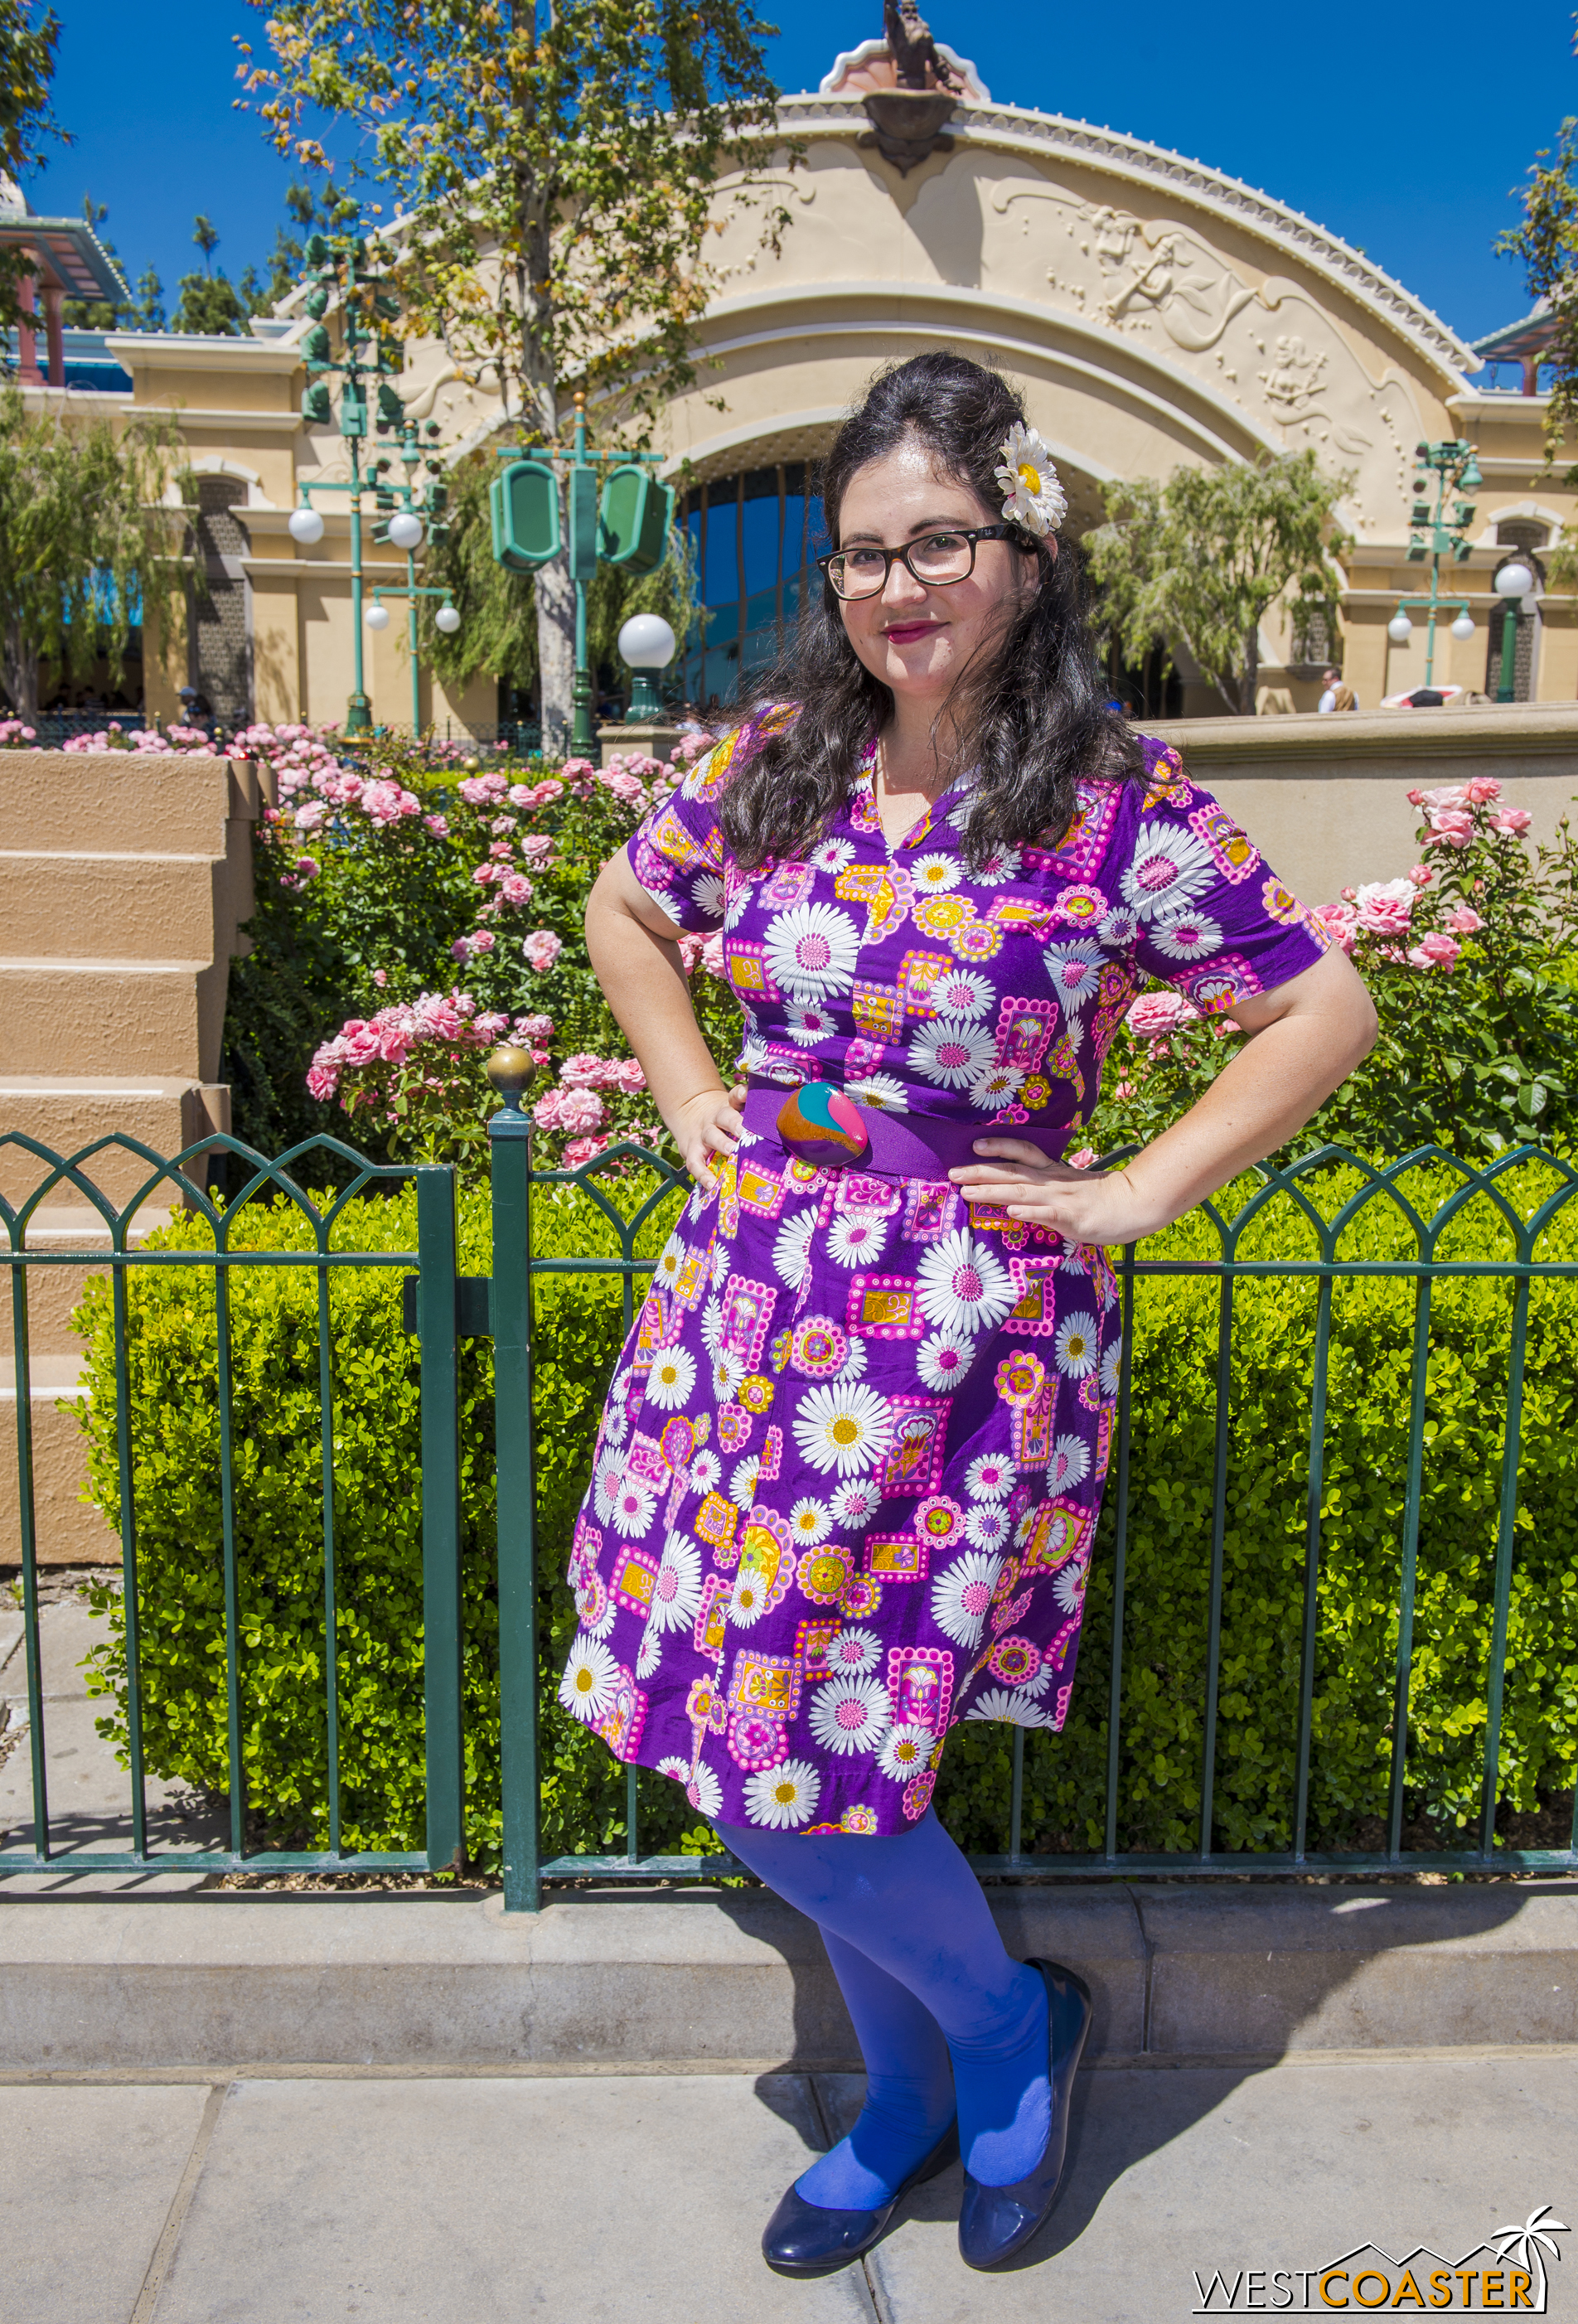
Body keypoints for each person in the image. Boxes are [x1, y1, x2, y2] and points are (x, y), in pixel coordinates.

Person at [575, 353, 1377, 2277]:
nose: (896, 584)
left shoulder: (1108, 803)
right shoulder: (767, 756)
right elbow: (627, 908)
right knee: (747, 1730)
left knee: (814, 1742)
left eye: (941, 538)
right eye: (863, 552)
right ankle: (936, 2066)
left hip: (946, 1344)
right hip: (745, 1313)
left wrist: (1131, 1189)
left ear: (1022, 550)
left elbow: (1322, 1010)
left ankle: (986, 2042)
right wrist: (689, 1085)